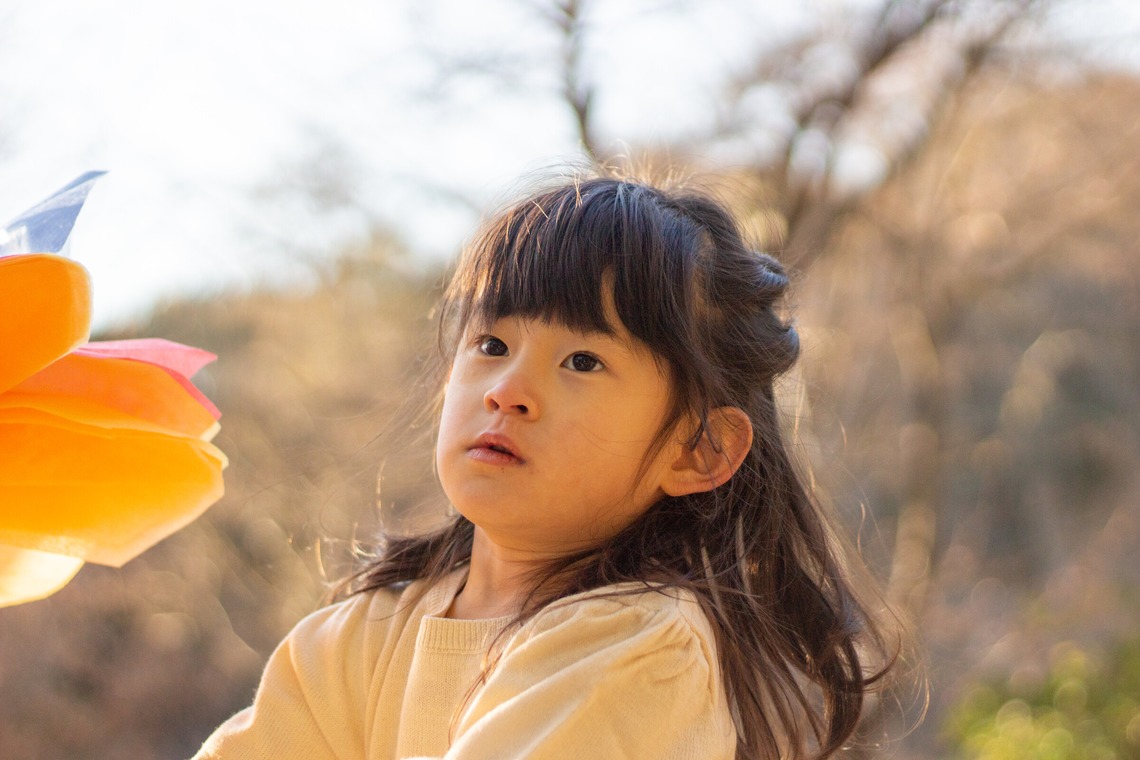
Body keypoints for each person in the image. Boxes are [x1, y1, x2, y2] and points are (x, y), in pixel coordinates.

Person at [193, 172, 904, 760]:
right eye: (493, 345)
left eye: (583, 361)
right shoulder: (357, 638)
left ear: (701, 449)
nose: (509, 392)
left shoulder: (639, 645)